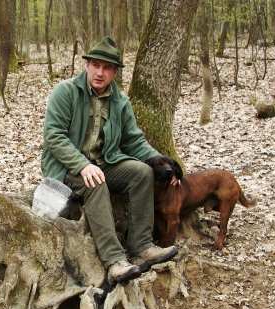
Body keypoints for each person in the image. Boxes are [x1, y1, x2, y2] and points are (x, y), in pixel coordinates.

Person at [41, 36, 179, 285]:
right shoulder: (66, 92)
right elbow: (54, 135)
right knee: (94, 181)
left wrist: (163, 163)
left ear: (115, 71)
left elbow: (134, 142)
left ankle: (141, 248)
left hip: (104, 163)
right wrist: (82, 164)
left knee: (142, 173)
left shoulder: (120, 102)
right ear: (87, 65)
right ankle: (115, 261)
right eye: (95, 65)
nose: (100, 72)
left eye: (106, 68)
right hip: (67, 166)